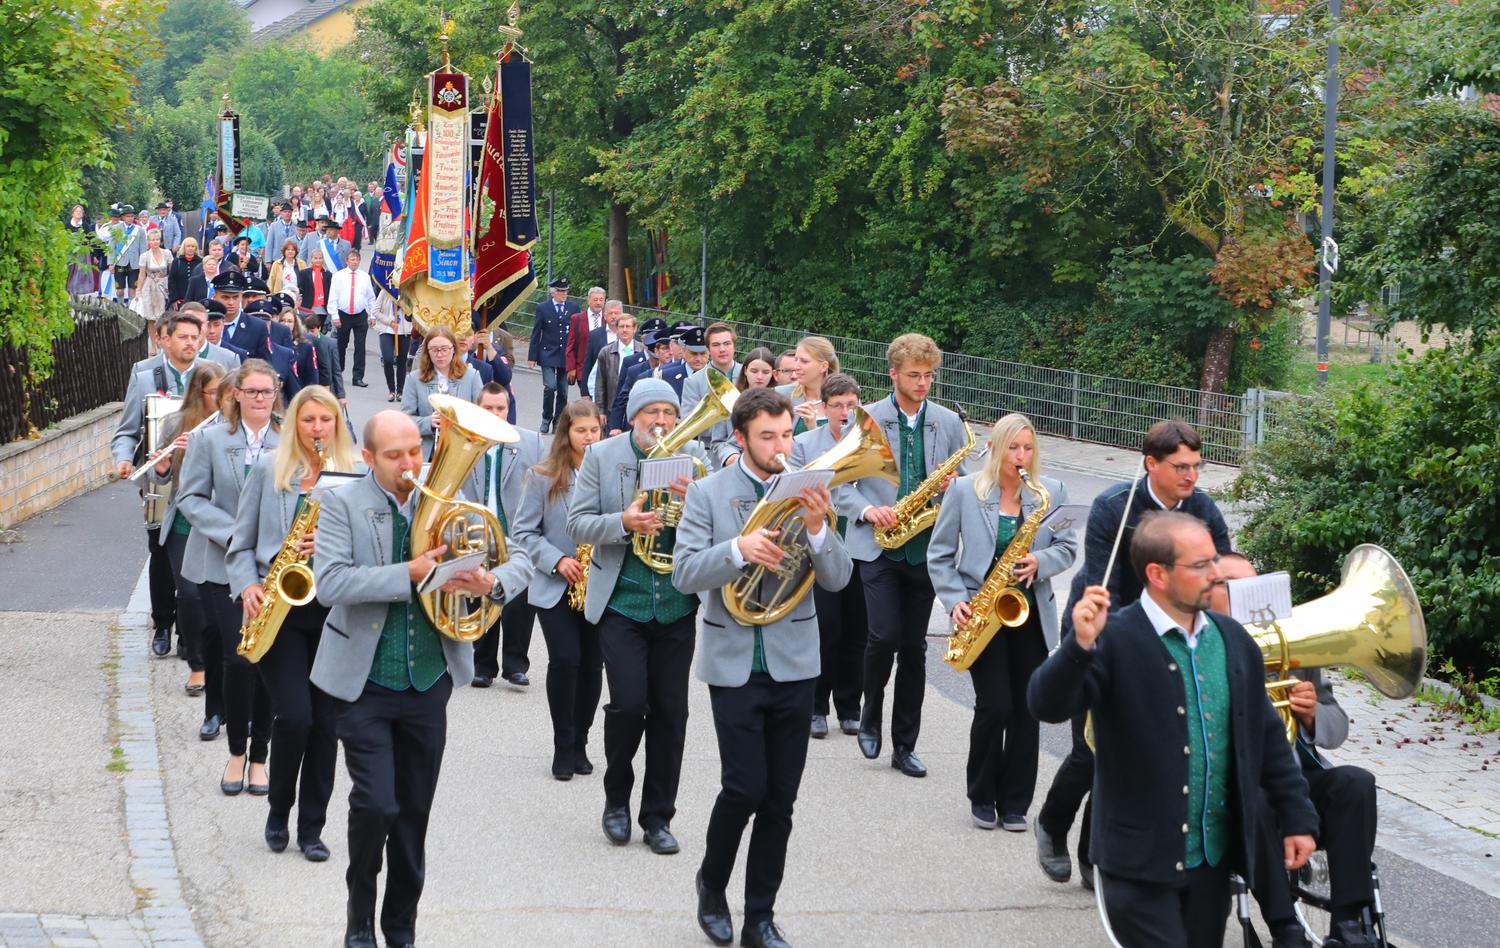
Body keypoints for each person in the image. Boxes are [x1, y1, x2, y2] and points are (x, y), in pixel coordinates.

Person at [1029, 511, 1319, 948]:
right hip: (1137, 864)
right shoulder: (1115, 637)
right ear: (1157, 574)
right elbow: (1045, 705)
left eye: (1213, 561)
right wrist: (1079, 646)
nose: (1216, 574)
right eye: (1201, 565)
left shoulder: (1233, 640)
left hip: (1212, 863)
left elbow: (1268, 742)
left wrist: (1297, 817)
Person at [309, 410, 523, 948]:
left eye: (415, 451)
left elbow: (519, 555)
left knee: (413, 813)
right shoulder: (340, 503)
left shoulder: (451, 500)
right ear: (367, 458)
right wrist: (408, 572)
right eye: (394, 455)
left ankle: (400, 927)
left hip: (429, 682)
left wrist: (490, 580)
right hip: (364, 683)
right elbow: (331, 583)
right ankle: (359, 919)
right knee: (377, 804)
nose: (410, 464)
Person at [673, 388, 848, 948]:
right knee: (744, 788)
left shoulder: (809, 489)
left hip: (795, 663)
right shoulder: (707, 492)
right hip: (735, 663)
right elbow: (683, 574)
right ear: (742, 438)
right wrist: (737, 550)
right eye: (767, 437)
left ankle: (760, 918)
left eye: (786, 435)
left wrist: (820, 531)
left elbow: (839, 579)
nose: (780, 447)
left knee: (781, 799)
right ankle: (711, 883)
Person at [1034, 419, 1234, 889]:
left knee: (1120, 753)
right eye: (1180, 466)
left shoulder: (1203, 508)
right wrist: (1131, 651)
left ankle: (1091, 856)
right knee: (1091, 748)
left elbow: (1221, 576)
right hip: (1100, 633)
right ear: (1151, 464)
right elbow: (1110, 588)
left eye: (1196, 466)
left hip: (1170, 640)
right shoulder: (1114, 507)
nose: (1192, 476)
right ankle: (1051, 822)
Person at [1209, 555, 1381, 948]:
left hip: (1294, 774)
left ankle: (1350, 922)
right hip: (1234, 784)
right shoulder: (1203, 645)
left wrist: (1309, 715)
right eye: (1233, 586)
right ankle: (1285, 927)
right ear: (1209, 592)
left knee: (1355, 782)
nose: (1249, 598)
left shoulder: (1292, 644)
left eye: (1255, 586)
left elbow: (1336, 727)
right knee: (1255, 803)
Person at [567, 378, 707, 855]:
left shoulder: (693, 458)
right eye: (653, 413)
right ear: (633, 417)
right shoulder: (603, 457)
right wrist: (623, 523)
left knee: (672, 714)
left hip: (676, 604)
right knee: (628, 705)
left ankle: (658, 818)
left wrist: (695, 506)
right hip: (622, 603)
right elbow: (576, 522)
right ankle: (616, 801)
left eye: (670, 413)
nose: (662, 421)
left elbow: (714, 532)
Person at [228, 385, 360, 863]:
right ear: (295, 424)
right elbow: (240, 544)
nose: (317, 429)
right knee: (295, 717)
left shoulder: (355, 476)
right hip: (279, 610)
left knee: (326, 726)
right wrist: (246, 584)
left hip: (333, 612)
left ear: (337, 425)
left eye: (325, 421)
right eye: (308, 421)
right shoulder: (269, 472)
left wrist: (330, 546)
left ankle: (312, 829)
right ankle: (278, 810)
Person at [929, 414, 1076, 832]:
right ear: (996, 448)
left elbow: (1067, 547)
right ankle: (982, 795)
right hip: (982, 613)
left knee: (1026, 711)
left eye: (1028, 448)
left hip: (1029, 614)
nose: (1022, 456)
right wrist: (955, 600)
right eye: (1014, 448)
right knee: (995, 705)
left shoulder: (1052, 492)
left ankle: (1016, 803)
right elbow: (939, 555)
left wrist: (1040, 561)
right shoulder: (963, 490)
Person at [841, 332, 969, 778]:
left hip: (928, 547)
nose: (922, 383)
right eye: (913, 375)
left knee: (914, 649)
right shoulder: (867, 418)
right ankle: (869, 713)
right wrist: (867, 509)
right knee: (883, 636)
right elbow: (839, 484)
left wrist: (958, 488)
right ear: (893, 373)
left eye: (928, 376)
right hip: (878, 547)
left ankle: (905, 745)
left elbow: (967, 479)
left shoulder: (949, 421)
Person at [177, 360, 283, 798]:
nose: (261, 400)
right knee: (239, 659)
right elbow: (190, 497)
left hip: (274, 570)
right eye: (253, 392)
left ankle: (260, 758)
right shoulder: (209, 439)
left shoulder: (291, 440)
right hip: (221, 567)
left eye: (268, 392)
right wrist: (235, 532)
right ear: (236, 394)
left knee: (269, 665)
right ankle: (236, 752)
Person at [512, 398, 605, 778]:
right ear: (566, 433)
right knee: (566, 660)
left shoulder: (608, 473)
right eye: (580, 431)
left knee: (592, 666)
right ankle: (562, 743)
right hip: (556, 583)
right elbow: (523, 531)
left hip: (598, 583)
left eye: (594, 430)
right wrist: (557, 560)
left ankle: (581, 740)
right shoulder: (543, 474)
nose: (588, 438)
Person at [112, 310, 208, 657]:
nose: (190, 343)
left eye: (195, 338)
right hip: (158, 479)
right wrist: (124, 458)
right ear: (165, 339)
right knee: (161, 552)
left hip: (201, 481)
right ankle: (163, 624)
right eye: (183, 337)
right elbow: (127, 429)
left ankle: (189, 631)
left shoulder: (210, 375)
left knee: (194, 557)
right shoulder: (145, 374)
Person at [788, 373, 867, 740]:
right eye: (837, 406)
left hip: (863, 547)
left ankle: (850, 708)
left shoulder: (869, 443)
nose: (845, 412)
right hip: (821, 547)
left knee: (857, 631)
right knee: (826, 629)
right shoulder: (805, 444)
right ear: (824, 407)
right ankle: (815, 707)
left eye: (851, 405)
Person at [147, 361, 228, 714]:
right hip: (184, 521)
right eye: (217, 394)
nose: (226, 400)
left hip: (223, 521)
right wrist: (163, 465)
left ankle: (225, 663)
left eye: (229, 392)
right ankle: (198, 666)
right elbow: (159, 479)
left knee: (221, 596)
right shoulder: (175, 424)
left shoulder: (234, 427)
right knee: (191, 594)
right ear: (200, 393)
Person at [460, 384, 544, 689]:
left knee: (518, 602)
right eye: (489, 409)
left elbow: (544, 487)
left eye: (501, 408)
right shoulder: (464, 440)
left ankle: (515, 664)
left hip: (516, 533)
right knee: (478, 596)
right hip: (477, 533)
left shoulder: (531, 441)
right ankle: (482, 664)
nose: (496, 414)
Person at [400, 326, 484, 460]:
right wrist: (429, 422)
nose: (439, 354)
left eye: (444, 349)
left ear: (453, 349)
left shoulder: (472, 376)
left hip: (462, 452)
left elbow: (482, 417)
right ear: (427, 352)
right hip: (426, 454)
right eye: (434, 350)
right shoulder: (414, 379)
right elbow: (404, 421)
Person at [679, 322, 742, 467]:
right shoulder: (693, 381)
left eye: (727, 343)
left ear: (734, 346)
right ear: (708, 349)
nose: (722, 349)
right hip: (711, 457)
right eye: (716, 345)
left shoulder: (748, 374)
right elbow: (689, 422)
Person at [529, 276, 578, 433]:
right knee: (550, 387)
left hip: (566, 355)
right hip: (548, 353)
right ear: (553, 293)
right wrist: (532, 356)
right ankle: (546, 418)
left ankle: (558, 421)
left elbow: (576, 334)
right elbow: (536, 333)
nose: (564, 294)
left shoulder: (573, 307)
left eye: (565, 291)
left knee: (563, 391)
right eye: (560, 291)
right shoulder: (543, 308)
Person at [328, 248, 375, 388]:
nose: (355, 262)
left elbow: (371, 297)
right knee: (341, 345)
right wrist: (334, 316)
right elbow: (333, 297)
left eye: (357, 259)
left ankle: (358, 376)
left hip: (360, 315)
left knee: (360, 346)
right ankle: (339, 372)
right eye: (352, 259)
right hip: (343, 315)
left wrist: (372, 315)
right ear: (347, 261)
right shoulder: (338, 276)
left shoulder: (365, 276)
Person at [589, 311, 643, 423]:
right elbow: (600, 383)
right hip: (612, 406)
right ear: (616, 329)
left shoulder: (642, 351)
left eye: (628, 326)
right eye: (621, 326)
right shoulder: (606, 352)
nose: (624, 330)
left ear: (634, 328)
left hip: (638, 407)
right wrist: (600, 410)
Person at [780, 336, 837, 435]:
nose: (796, 367)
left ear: (823, 366)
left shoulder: (846, 399)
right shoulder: (781, 396)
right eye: (796, 360)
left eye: (804, 361)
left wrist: (813, 428)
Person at [568, 288, 612, 398]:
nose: (598, 303)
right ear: (588, 300)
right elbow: (570, 345)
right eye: (595, 299)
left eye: (601, 300)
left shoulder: (609, 319)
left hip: (605, 368)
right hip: (583, 368)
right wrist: (571, 368)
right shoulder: (577, 319)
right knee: (588, 399)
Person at [372, 290, 409, 403]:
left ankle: (400, 391)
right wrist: (390, 322)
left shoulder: (408, 291)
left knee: (402, 361)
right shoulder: (385, 291)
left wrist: (404, 303)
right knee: (388, 359)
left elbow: (414, 311)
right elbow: (376, 311)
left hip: (403, 330)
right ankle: (391, 390)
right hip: (387, 329)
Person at [302, 312, 346, 405]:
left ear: (319, 328)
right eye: (307, 331)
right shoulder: (301, 342)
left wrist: (341, 395)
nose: (310, 334)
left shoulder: (330, 343)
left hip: (326, 388)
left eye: (312, 331)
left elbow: (336, 370)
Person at [136, 228, 174, 321]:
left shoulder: (167, 253)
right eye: (153, 240)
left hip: (164, 285)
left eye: (157, 239)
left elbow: (172, 271)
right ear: (149, 241)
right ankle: (153, 336)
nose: (155, 242)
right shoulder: (144, 256)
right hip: (150, 286)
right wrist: (138, 291)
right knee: (150, 316)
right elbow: (141, 275)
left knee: (165, 315)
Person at [65, 203, 99, 296]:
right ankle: (70, 288)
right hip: (70, 252)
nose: (79, 213)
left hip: (83, 252)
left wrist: (94, 254)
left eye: (80, 212)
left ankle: (79, 290)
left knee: (81, 271)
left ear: (83, 214)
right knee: (70, 270)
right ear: (73, 213)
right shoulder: (67, 225)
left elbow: (91, 239)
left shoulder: (85, 226)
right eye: (77, 211)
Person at [298, 249, 335, 319]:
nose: (318, 260)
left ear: (323, 260)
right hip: (308, 308)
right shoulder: (304, 273)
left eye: (320, 258)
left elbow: (330, 291)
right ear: (311, 259)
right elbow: (300, 290)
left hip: (323, 309)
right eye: (315, 258)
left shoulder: (328, 274)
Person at [267, 239, 305, 306]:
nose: (290, 251)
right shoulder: (276, 264)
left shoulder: (301, 264)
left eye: (293, 250)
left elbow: (305, 281)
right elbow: (271, 281)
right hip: (280, 297)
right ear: (284, 251)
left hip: (297, 298)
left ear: (296, 252)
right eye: (288, 249)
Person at [167, 237, 201, 307]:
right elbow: (172, 281)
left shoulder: (201, 262)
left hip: (197, 301)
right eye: (188, 246)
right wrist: (174, 299)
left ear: (196, 248)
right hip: (180, 301)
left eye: (193, 246)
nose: (190, 248)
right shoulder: (177, 261)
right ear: (184, 247)